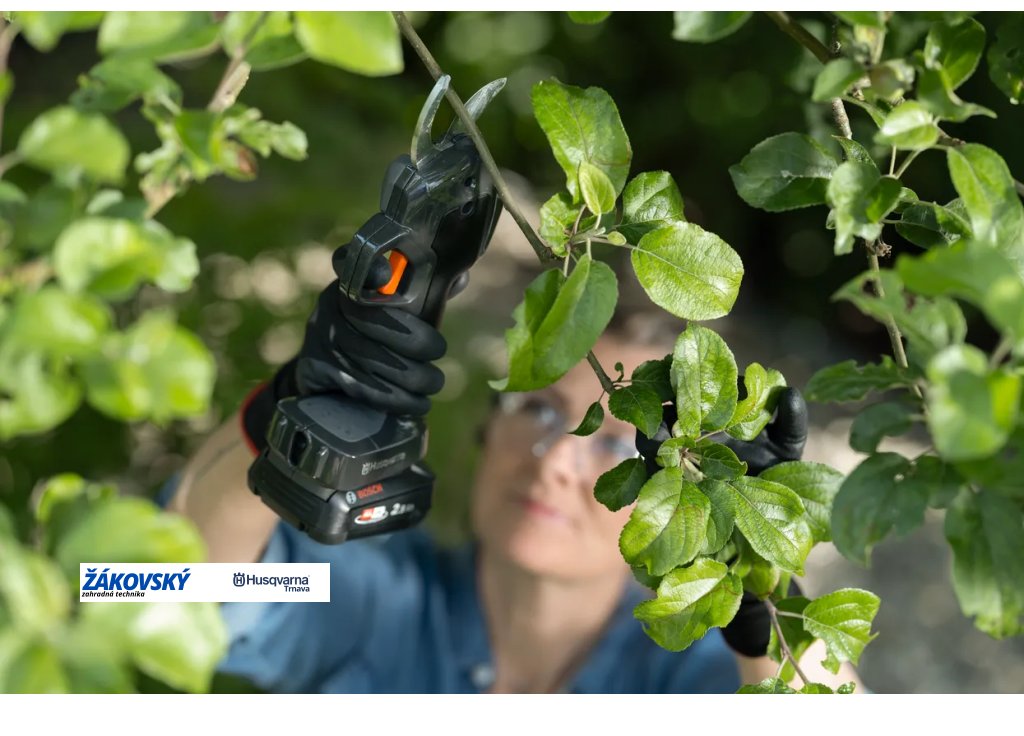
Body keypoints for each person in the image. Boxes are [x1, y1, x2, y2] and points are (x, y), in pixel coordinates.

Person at [168, 249, 864, 694]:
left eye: (618, 446)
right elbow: (157, 585)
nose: (556, 459)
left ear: (682, 511)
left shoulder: (692, 678)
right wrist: (284, 420)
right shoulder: (380, 599)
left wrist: (762, 593)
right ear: (488, 425)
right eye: (538, 409)